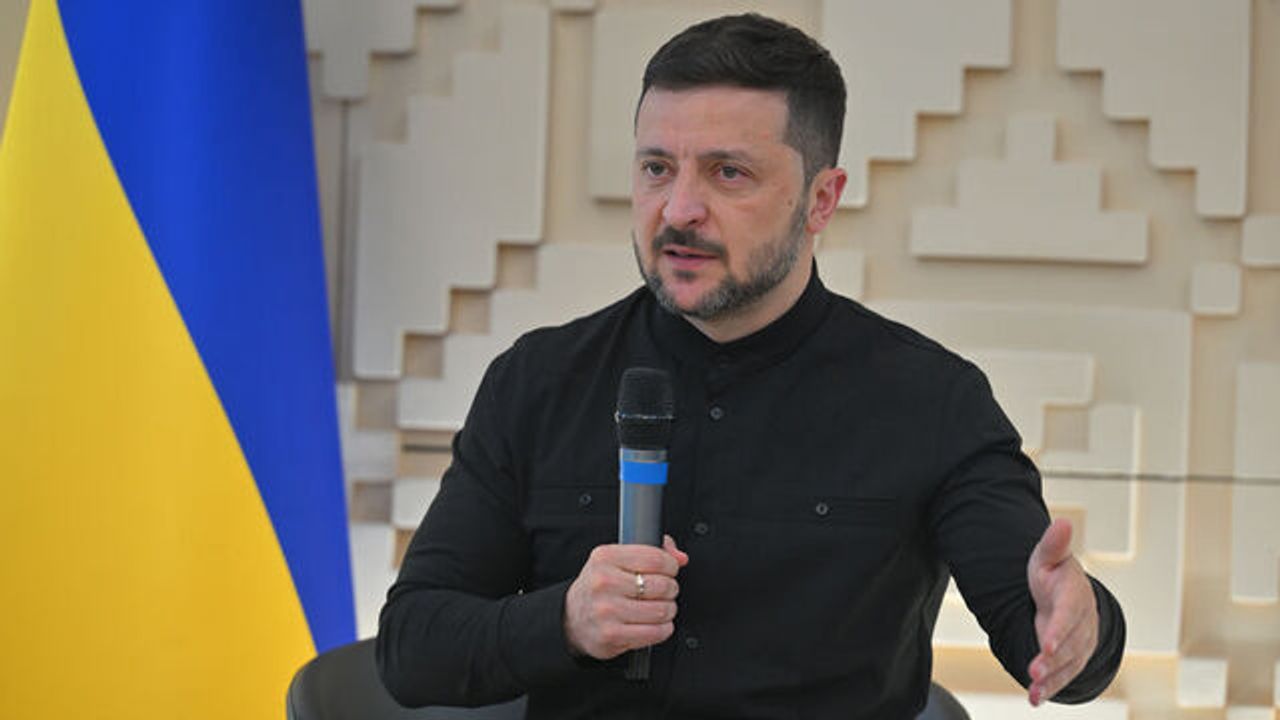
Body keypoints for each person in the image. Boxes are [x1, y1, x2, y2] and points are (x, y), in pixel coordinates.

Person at [377, 13, 1125, 719]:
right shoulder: (539, 380)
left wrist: (1077, 627)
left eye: (727, 173)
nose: (678, 209)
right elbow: (411, 648)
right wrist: (566, 620)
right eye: (657, 167)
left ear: (821, 200)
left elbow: (1048, 636)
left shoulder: (932, 401)